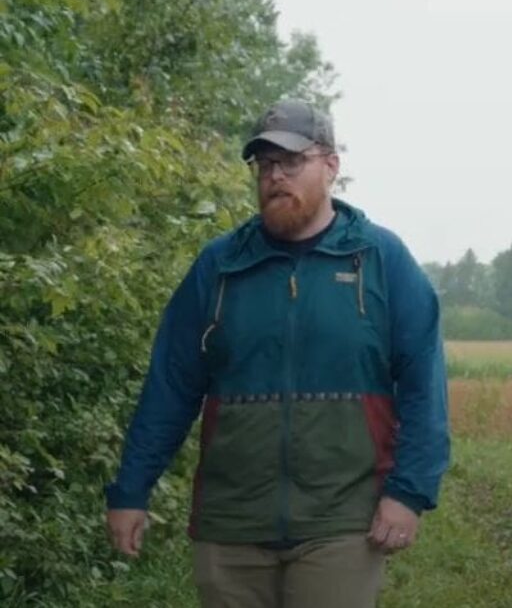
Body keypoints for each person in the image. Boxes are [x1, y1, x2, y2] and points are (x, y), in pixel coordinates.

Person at [105, 98, 450, 608]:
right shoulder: (221, 265)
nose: (275, 176)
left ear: (331, 165)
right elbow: (171, 386)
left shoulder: (380, 261)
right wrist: (131, 490)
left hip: (341, 521)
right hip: (231, 522)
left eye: (291, 162)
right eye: (265, 164)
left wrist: (409, 492)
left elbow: (424, 388)